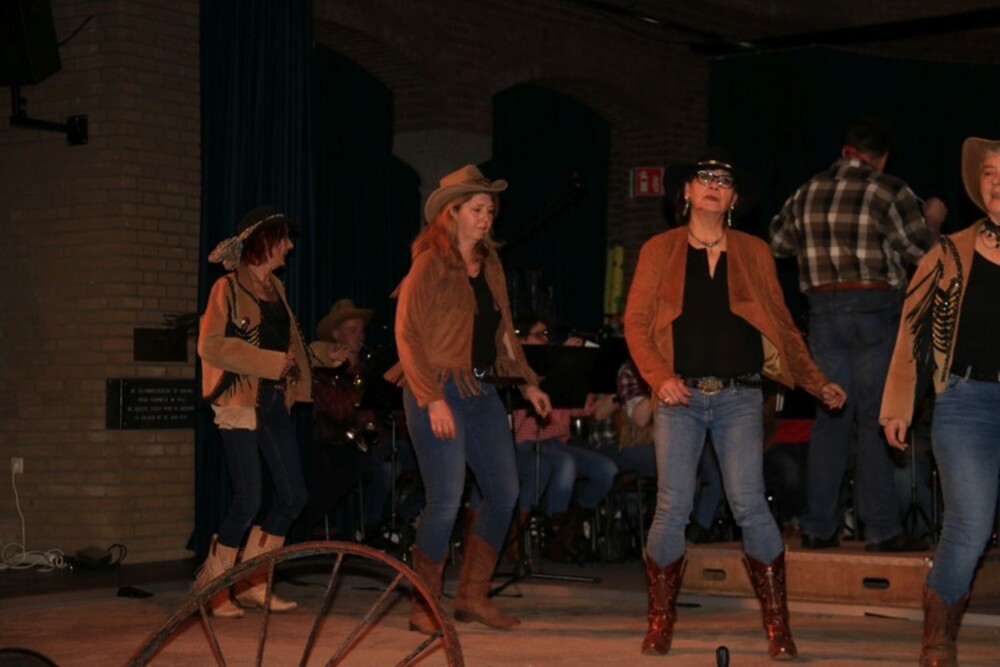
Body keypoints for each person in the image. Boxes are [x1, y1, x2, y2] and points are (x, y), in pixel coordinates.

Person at [624, 148, 847, 659]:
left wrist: (816, 382)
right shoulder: (660, 249)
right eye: (703, 178)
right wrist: (659, 378)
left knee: (749, 503)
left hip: (740, 396)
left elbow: (782, 324)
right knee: (672, 505)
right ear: (686, 192)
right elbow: (635, 324)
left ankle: (778, 626)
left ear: (734, 199)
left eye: (723, 181)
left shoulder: (754, 251)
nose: (712, 185)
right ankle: (660, 620)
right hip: (679, 395)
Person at [385, 164, 551, 634]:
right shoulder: (429, 263)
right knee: (446, 499)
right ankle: (423, 603)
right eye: (477, 209)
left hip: (481, 390)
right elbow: (406, 334)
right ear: (452, 213)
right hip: (436, 387)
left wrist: (527, 383)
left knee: (505, 491)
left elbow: (504, 335)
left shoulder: (490, 265)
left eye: (490, 211)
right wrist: (431, 398)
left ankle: (472, 597)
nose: (486, 218)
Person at [770, 115, 947, 552]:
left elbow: (777, 243)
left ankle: (818, 528)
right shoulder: (889, 189)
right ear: (881, 157)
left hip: (822, 311)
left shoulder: (807, 190)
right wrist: (933, 221)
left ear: (845, 150)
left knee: (830, 421)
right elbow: (922, 252)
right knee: (874, 420)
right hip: (874, 309)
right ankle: (881, 530)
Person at [881, 137, 1000, 667]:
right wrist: (897, 406)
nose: (997, 182)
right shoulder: (947, 252)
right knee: (969, 526)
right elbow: (912, 334)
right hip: (965, 401)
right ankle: (938, 640)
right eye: (990, 173)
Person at [195, 205, 310, 616]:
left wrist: (322, 355)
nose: (289, 246)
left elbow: (288, 347)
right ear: (265, 242)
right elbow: (210, 345)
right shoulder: (226, 288)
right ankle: (213, 589)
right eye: (284, 239)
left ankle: (251, 580)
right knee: (248, 499)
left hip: (275, 401)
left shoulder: (276, 289)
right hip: (241, 402)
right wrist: (269, 361)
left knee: (294, 495)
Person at [304, 298, 419, 544]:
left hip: (379, 443)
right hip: (344, 449)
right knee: (389, 468)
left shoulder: (371, 370)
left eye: (362, 330)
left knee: (424, 461)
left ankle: (400, 522)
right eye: (353, 330)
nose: (360, 335)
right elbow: (337, 412)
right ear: (336, 335)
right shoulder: (325, 373)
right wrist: (364, 395)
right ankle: (369, 528)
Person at [511, 318, 618, 563]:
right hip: (526, 444)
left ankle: (566, 527)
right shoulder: (520, 367)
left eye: (547, 334)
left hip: (559, 443)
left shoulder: (557, 363)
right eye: (539, 335)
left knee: (607, 470)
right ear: (522, 339)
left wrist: (578, 366)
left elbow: (583, 408)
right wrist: (562, 358)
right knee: (564, 464)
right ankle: (551, 532)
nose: (546, 339)